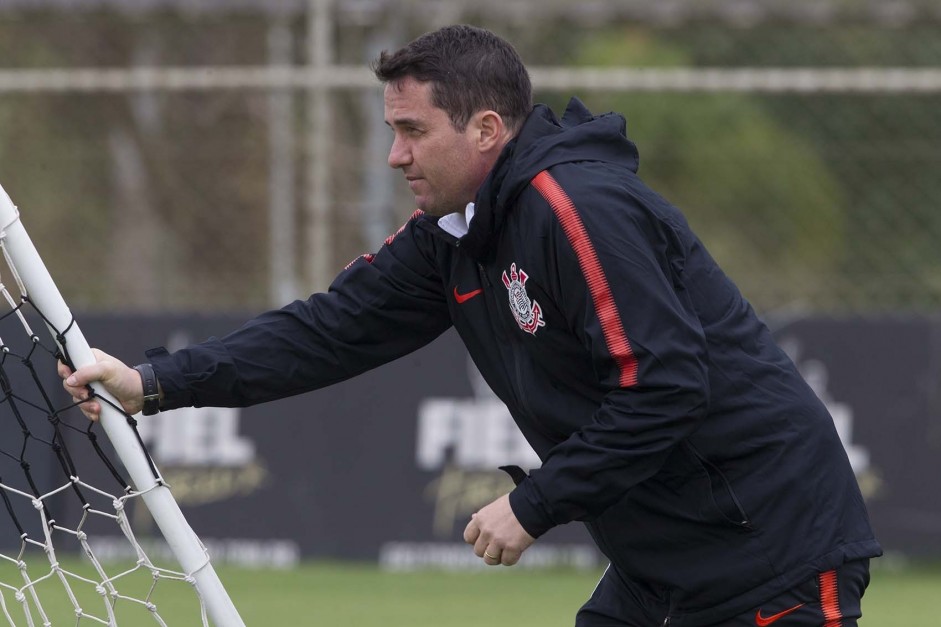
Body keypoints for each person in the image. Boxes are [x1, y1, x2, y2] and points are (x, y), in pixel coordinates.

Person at [61, 24, 881, 627]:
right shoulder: (453, 237)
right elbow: (327, 330)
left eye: (412, 131)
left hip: (772, 556)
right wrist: (155, 382)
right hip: (660, 571)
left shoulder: (577, 209)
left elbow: (663, 387)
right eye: (391, 132)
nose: (394, 157)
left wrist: (534, 504)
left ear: (486, 129)